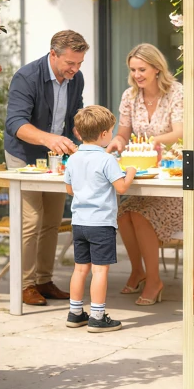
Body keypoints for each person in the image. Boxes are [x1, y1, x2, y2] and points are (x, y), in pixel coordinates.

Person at [5, 30, 89, 306]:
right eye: (70, 63)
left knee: (52, 219)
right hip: (24, 154)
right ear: (53, 54)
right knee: (31, 220)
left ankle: (43, 280)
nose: (75, 70)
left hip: (56, 157)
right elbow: (15, 124)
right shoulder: (26, 78)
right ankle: (25, 284)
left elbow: (75, 112)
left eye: (79, 64)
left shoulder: (76, 79)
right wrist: (49, 138)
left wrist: (82, 129)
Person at [106, 44, 183, 306]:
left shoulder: (176, 93)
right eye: (133, 70)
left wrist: (152, 141)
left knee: (140, 216)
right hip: (143, 173)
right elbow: (123, 133)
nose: (137, 75)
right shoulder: (129, 97)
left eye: (142, 69)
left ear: (157, 67)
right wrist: (116, 141)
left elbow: (179, 132)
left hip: (173, 175)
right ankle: (138, 270)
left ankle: (154, 280)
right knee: (123, 214)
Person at [64, 105, 136, 333]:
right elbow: (121, 187)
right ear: (104, 134)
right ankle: (97, 316)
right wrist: (131, 171)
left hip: (79, 222)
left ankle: (75, 313)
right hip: (101, 223)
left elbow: (69, 190)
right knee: (100, 271)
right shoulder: (107, 160)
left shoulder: (73, 159)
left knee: (80, 269)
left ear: (78, 132)